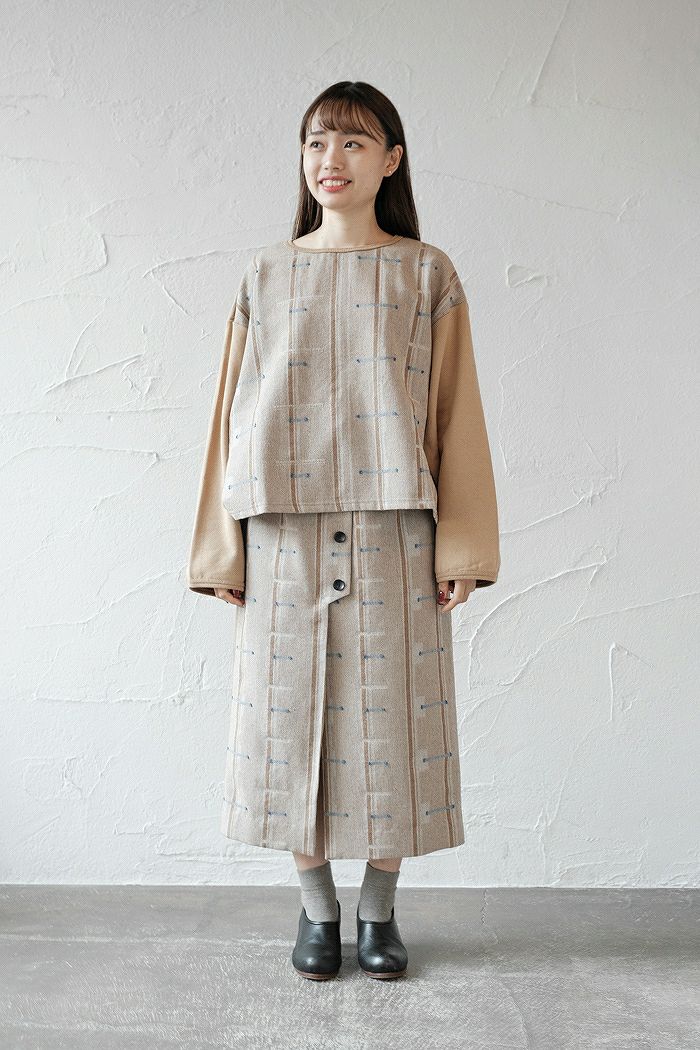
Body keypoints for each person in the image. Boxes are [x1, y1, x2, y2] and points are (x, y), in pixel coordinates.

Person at [187, 81, 501, 981]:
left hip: (395, 531)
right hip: (281, 535)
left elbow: (456, 416)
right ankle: (317, 910)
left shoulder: (426, 273)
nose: (332, 160)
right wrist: (221, 549)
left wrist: (463, 547)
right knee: (288, 725)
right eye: (317, 141)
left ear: (391, 161)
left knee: (391, 724)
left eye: (355, 143)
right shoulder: (264, 275)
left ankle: (379, 912)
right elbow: (229, 417)